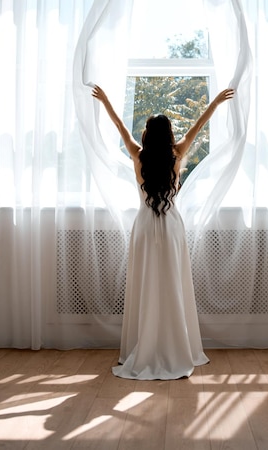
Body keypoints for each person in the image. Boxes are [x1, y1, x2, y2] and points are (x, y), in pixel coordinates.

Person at [92, 84, 235, 380]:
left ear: (147, 133)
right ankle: (174, 345)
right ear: (168, 133)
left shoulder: (137, 154)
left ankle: (143, 344)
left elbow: (119, 125)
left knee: (146, 283)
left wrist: (105, 99)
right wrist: (217, 102)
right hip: (170, 225)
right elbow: (198, 124)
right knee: (171, 283)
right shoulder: (177, 152)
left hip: (145, 226)